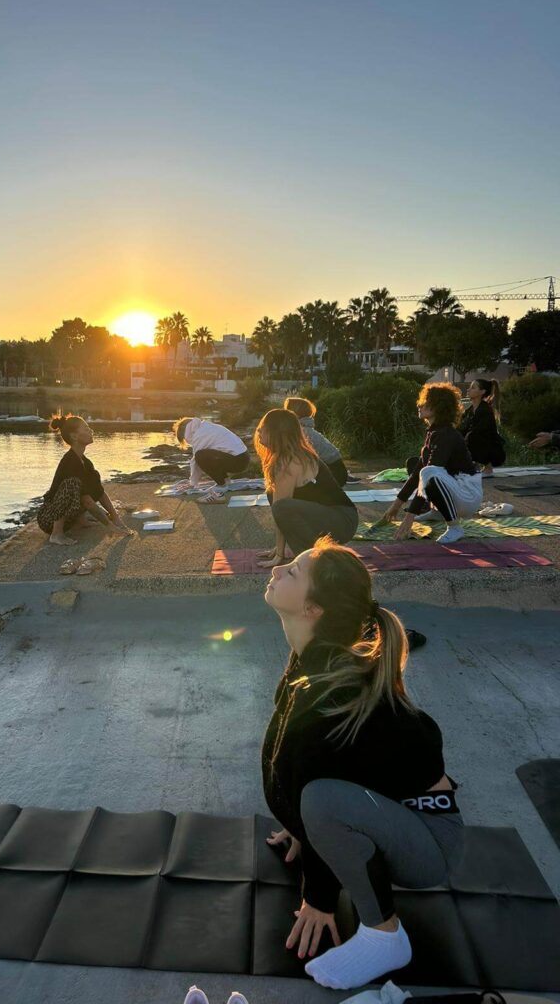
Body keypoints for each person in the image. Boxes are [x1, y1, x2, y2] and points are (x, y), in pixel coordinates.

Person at [261, 537, 463, 990]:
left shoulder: (335, 690)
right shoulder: (311, 664)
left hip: (429, 843)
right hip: (395, 819)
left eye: (291, 571)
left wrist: (319, 897)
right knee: (317, 800)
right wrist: (298, 826)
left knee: (323, 800)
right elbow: (297, 759)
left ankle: (384, 934)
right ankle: (319, 830)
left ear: (314, 610)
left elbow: (418, 739)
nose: (277, 570)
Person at [254, 409, 358, 569]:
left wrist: (279, 556)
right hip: (333, 517)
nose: (258, 431)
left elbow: (281, 509)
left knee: (282, 506)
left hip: (342, 520)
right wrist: (278, 548)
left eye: (263, 428)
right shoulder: (286, 457)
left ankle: (308, 561)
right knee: (272, 495)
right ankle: (309, 554)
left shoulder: (289, 461)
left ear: (277, 432)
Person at [381, 383, 481, 545]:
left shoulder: (445, 435)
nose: (419, 405)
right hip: (455, 491)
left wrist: (409, 518)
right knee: (418, 465)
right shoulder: (434, 432)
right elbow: (416, 475)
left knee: (429, 473)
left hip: (467, 495)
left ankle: (455, 527)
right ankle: (438, 512)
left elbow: (427, 476)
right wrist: (396, 506)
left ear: (437, 408)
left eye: (425, 401)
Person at [37, 414, 133, 544]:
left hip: (70, 520)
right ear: (74, 436)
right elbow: (87, 501)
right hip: (48, 518)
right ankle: (56, 534)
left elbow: (100, 492)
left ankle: (81, 521)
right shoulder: (70, 461)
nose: (91, 431)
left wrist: (116, 519)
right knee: (73, 484)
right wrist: (110, 527)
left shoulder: (85, 462)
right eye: (86, 429)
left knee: (92, 481)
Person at [283, 396, 360, 485]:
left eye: (287, 411)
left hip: (334, 475)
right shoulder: (305, 430)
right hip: (335, 472)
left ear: (294, 414)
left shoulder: (302, 433)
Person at [173, 417, 250, 501]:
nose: (186, 440)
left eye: (184, 438)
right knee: (210, 455)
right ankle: (225, 481)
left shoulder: (200, 435)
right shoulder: (205, 427)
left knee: (201, 456)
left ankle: (221, 486)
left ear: (185, 432)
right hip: (243, 457)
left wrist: (192, 483)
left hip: (238, 461)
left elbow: (196, 460)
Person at [459, 379, 505, 475]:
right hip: (477, 445)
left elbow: (480, 432)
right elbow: (461, 429)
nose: (468, 390)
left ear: (482, 392)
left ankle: (488, 467)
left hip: (492, 450)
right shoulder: (470, 410)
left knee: (472, 437)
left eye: (473, 387)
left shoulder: (485, 410)